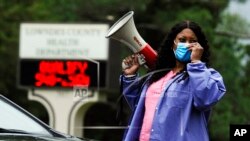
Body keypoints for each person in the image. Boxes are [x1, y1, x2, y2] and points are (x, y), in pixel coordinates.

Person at [120, 20, 226, 141]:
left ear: (200, 48)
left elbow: (205, 100)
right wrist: (130, 77)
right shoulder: (157, 75)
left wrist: (196, 63)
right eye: (182, 40)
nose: (187, 45)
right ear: (173, 44)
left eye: (193, 41)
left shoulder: (208, 76)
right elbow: (139, 106)